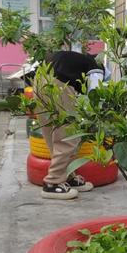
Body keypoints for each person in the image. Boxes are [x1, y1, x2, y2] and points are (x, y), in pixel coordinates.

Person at [35, 51, 103, 200]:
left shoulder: (77, 59)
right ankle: (53, 183)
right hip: (59, 84)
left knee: (50, 131)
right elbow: (95, 94)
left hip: (39, 80)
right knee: (69, 135)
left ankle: (66, 176)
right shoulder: (96, 68)